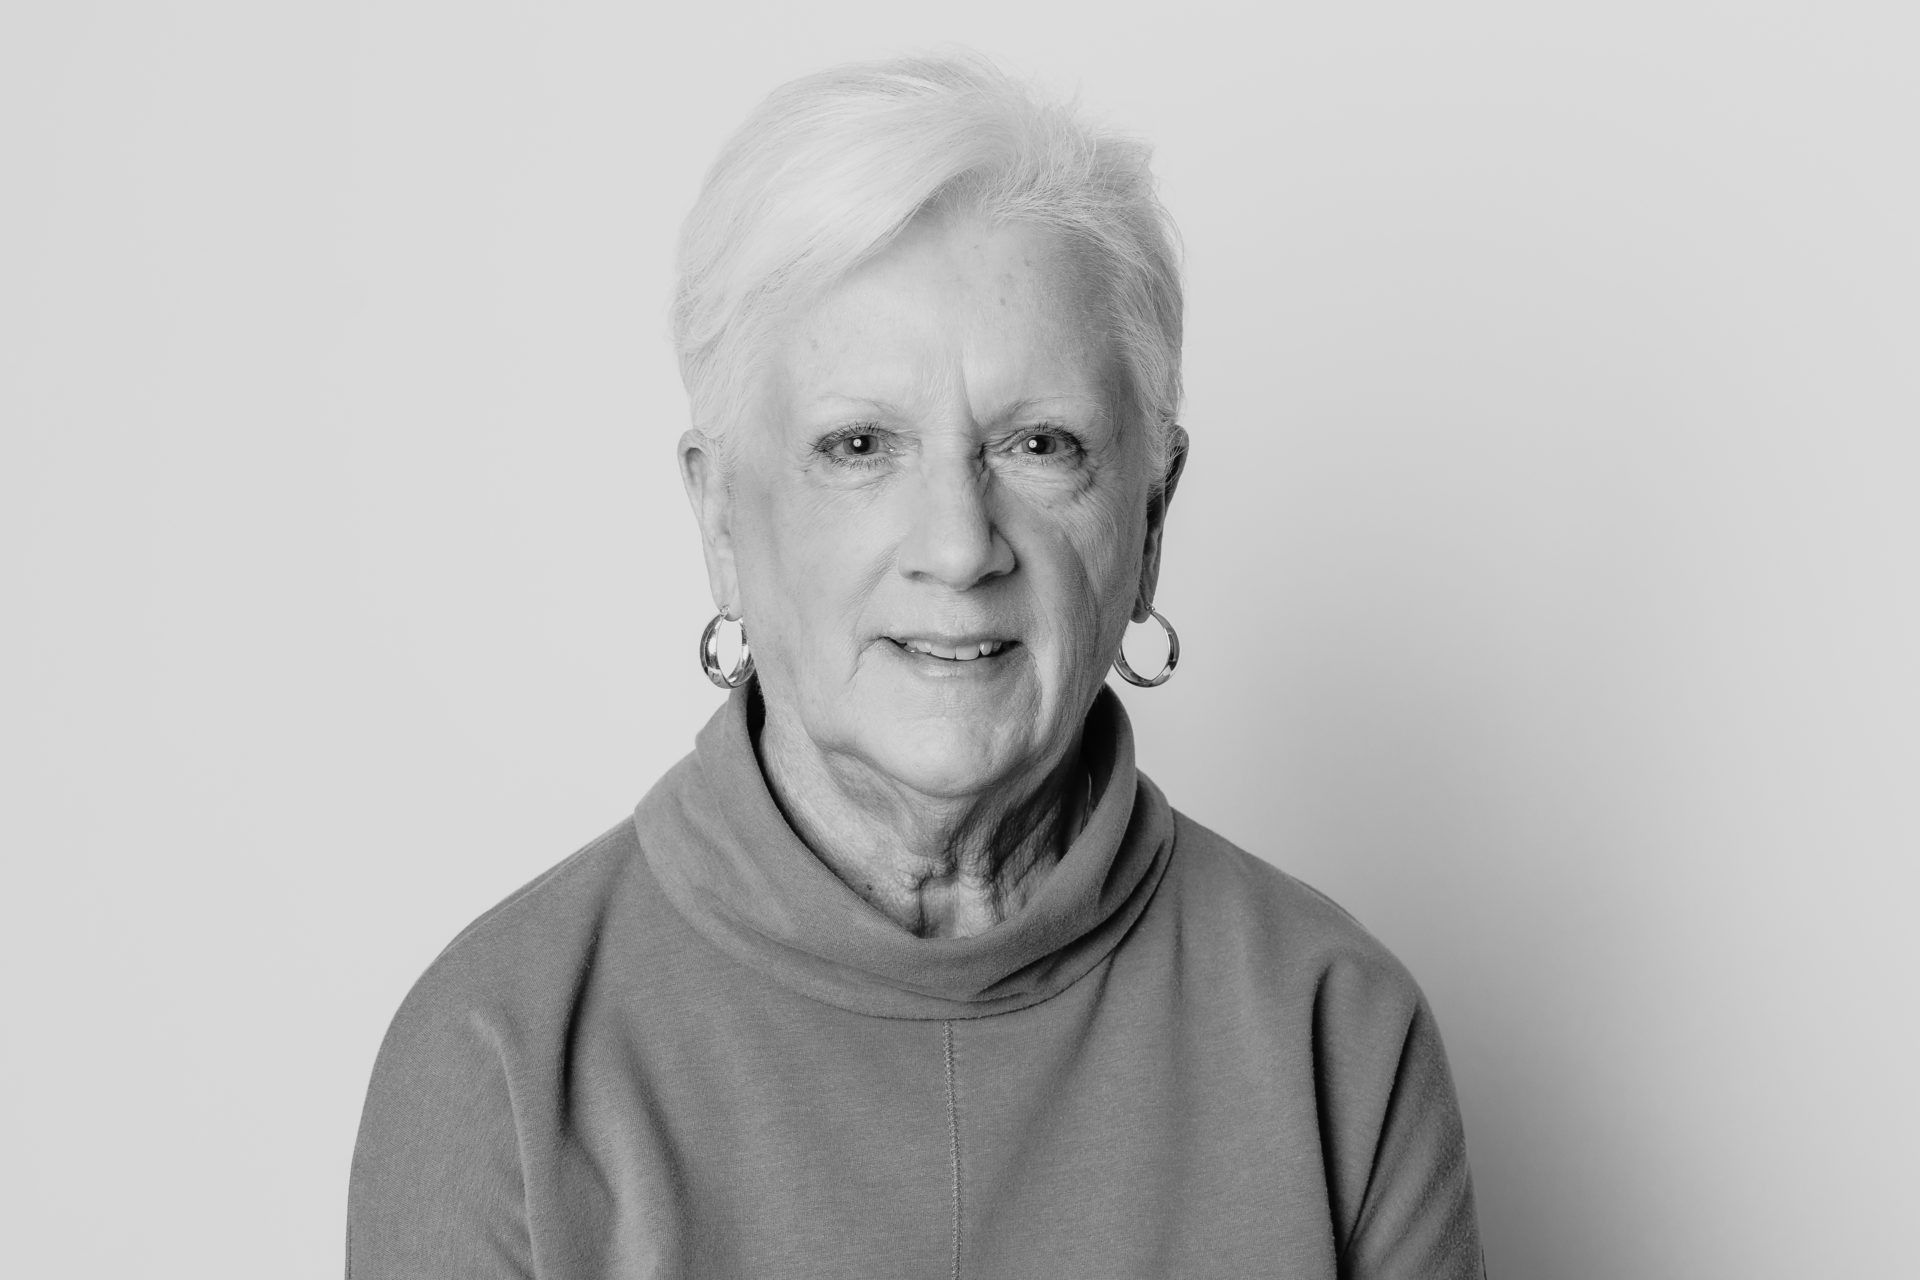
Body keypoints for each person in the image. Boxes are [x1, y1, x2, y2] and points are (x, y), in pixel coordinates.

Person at [347, 53, 1485, 1280]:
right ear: (722, 517)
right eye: (859, 444)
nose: (957, 543)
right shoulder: (500, 1054)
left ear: (1150, 518)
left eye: (1039, 443)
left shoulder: (1337, 1029)